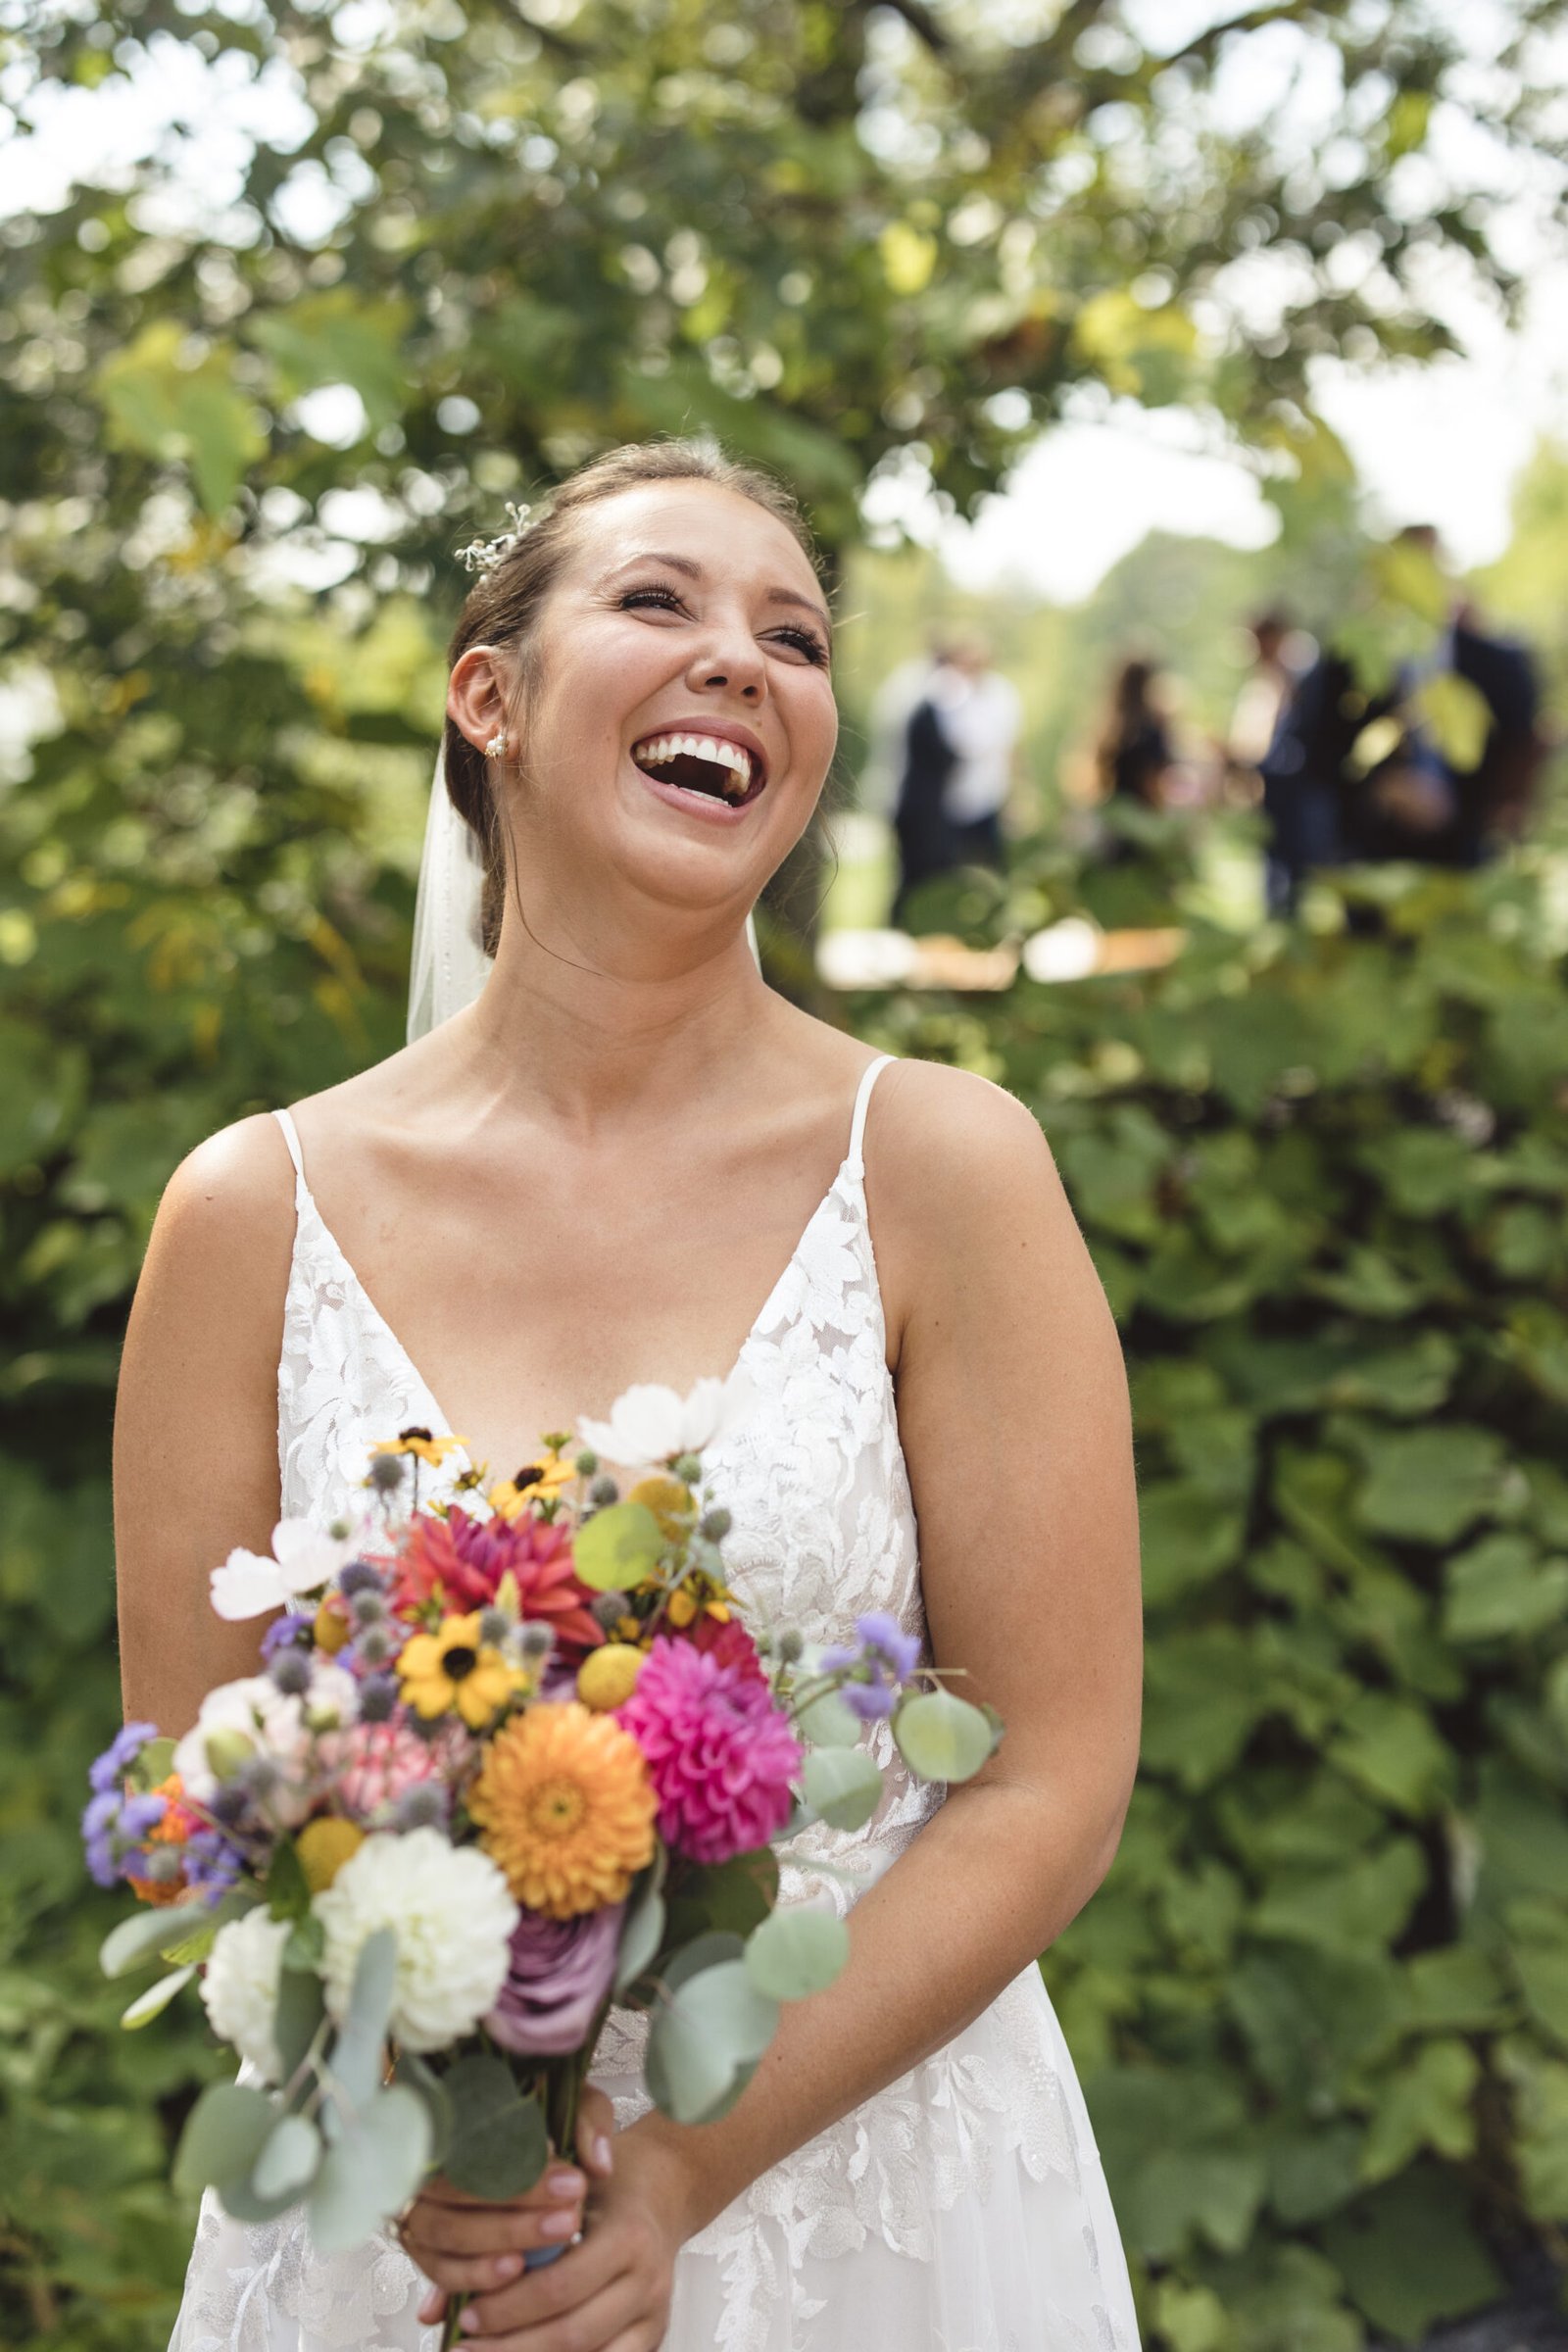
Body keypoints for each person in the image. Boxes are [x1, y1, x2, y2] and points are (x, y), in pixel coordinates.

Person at [120, 439, 1144, 2352]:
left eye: (792, 635)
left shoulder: (942, 1169)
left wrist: (678, 2163)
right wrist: (432, 2133)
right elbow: (206, 1799)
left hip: (868, 2198)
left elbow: (1046, 1770)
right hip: (417, 2215)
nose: (739, 660)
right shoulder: (249, 1215)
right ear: (486, 696)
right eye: (658, 602)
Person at [890, 634, 1022, 922]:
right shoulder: (937, 696)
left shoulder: (999, 695)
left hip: (984, 800)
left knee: (988, 872)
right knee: (928, 879)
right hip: (939, 807)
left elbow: (1009, 748)